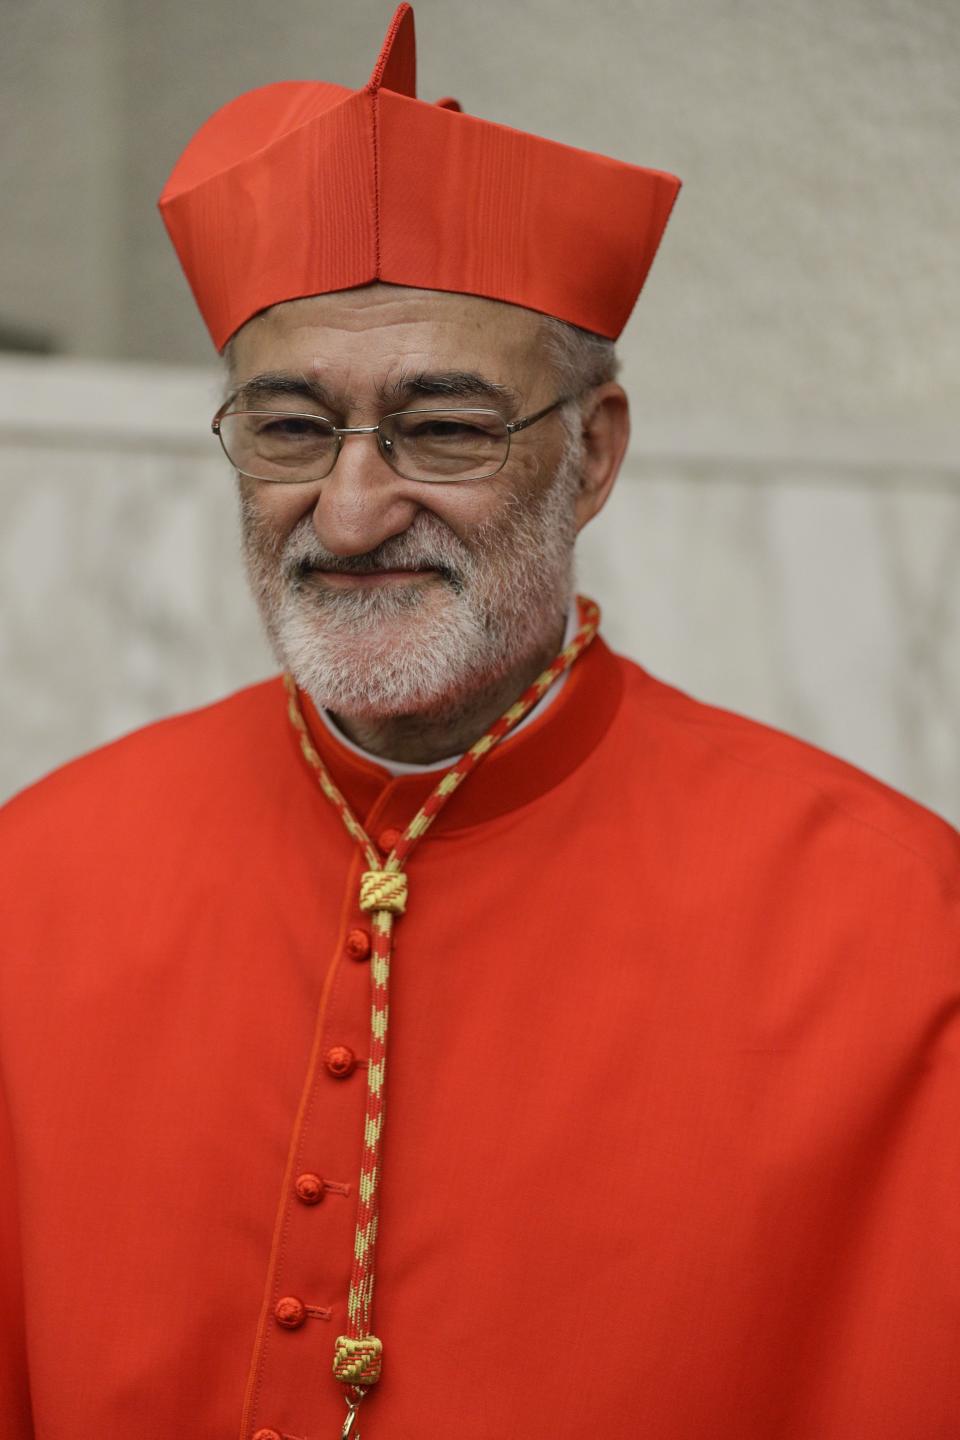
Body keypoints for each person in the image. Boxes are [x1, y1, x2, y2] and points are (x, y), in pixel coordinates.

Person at [1, 7, 957, 1439]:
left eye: (444, 428)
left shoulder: (894, 931)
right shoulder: (34, 876)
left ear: (594, 455)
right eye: (289, 428)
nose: (352, 506)